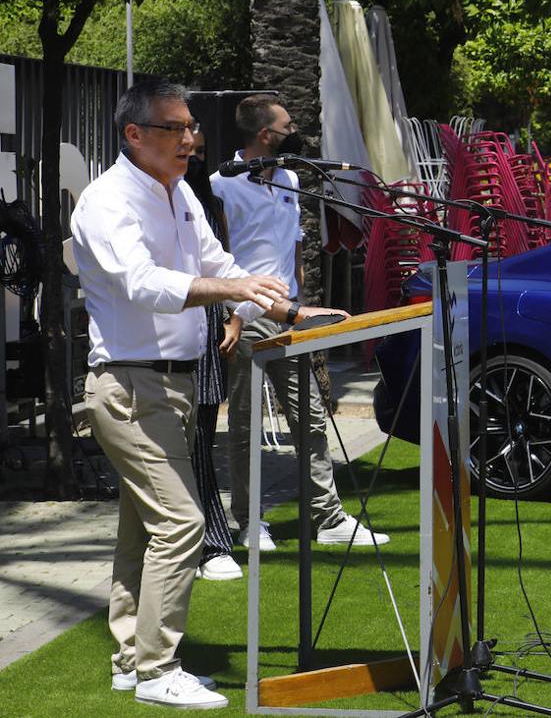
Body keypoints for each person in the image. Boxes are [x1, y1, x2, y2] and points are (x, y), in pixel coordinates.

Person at [71, 79, 302, 708]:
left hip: (172, 385)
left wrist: (277, 301)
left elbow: (218, 262)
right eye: (177, 129)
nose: (192, 141)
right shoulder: (106, 201)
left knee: (140, 530)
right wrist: (233, 292)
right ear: (135, 134)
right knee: (181, 523)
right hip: (127, 385)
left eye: (193, 128)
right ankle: (156, 669)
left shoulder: (179, 195)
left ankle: (129, 658)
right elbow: (140, 284)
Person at [213, 94, 388, 551]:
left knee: (310, 419)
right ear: (266, 134)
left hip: (290, 315)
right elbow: (218, 256)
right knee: (247, 425)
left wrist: (300, 301)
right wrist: (232, 313)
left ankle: (328, 519)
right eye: (287, 125)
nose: (296, 130)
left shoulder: (290, 178)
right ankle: (250, 522)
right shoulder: (220, 185)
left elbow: (293, 249)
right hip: (244, 318)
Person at [183, 131, 244, 581]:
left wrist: (235, 316)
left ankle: (213, 543)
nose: (194, 158)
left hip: (206, 334)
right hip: (166, 340)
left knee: (203, 438)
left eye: (202, 152)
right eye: (190, 151)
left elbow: (222, 262)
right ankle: (201, 542)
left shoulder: (209, 205)